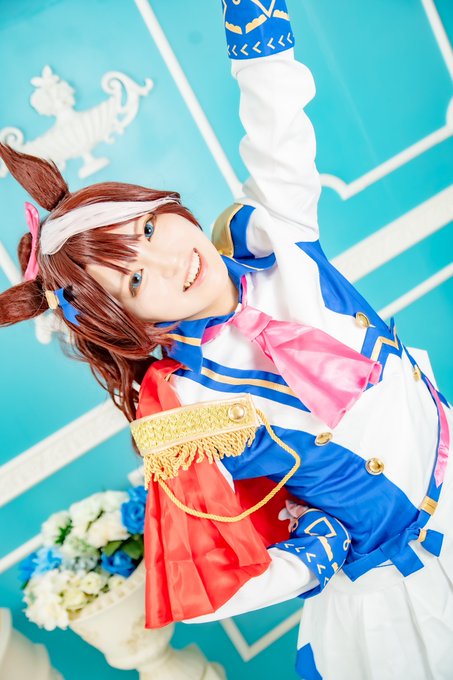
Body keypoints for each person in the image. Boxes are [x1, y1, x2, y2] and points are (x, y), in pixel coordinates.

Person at [1, 2, 452, 678]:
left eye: (148, 230)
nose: (167, 261)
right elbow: (203, 581)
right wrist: (310, 557)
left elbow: (277, 126)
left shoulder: (278, 246)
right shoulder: (186, 404)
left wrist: (254, 24)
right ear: (130, 326)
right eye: (133, 281)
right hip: (403, 590)